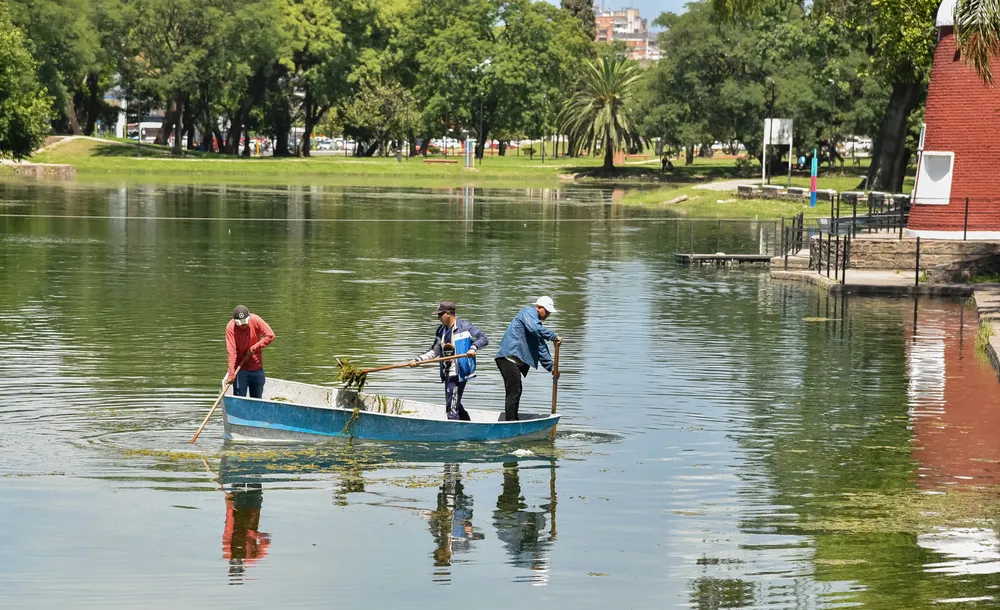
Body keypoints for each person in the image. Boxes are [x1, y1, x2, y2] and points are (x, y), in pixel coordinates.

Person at [410, 301, 488, 420]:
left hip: (460, 372)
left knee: (451, 407)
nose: (438, 318)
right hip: (447, 372)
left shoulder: (465, 327)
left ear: (448, 313)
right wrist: (418, 360)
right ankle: (468, 424)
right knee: (452, 401)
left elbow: (483, 338)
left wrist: (473, 347)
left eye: (440, 315)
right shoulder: (441, 331)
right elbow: (434, 351)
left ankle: (454, 429)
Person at [494, 297, 561, 421]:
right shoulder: (528, 313)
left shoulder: (536, 326)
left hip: (513, 360)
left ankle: (513, 419)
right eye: (546, 311)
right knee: (515, 390)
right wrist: (553, 336)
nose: (548, 315)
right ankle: (510, 422)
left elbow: (540, 347)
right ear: (538, 307)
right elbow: (535, 329)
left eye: (549, 312)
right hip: (507, 357)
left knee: (516, 390)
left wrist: (552, 367)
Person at [226, 305, 275, 399]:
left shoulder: (255, 320)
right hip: (240, 369)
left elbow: (270, 335)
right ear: (235, 321)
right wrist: (231, 373)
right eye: (240, 324)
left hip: (257, 367)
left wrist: (254, 348)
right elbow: (231, 352)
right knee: (239, 399)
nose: (243, 326)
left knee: (257, 400)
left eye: (245, 323)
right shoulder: (230, 327)